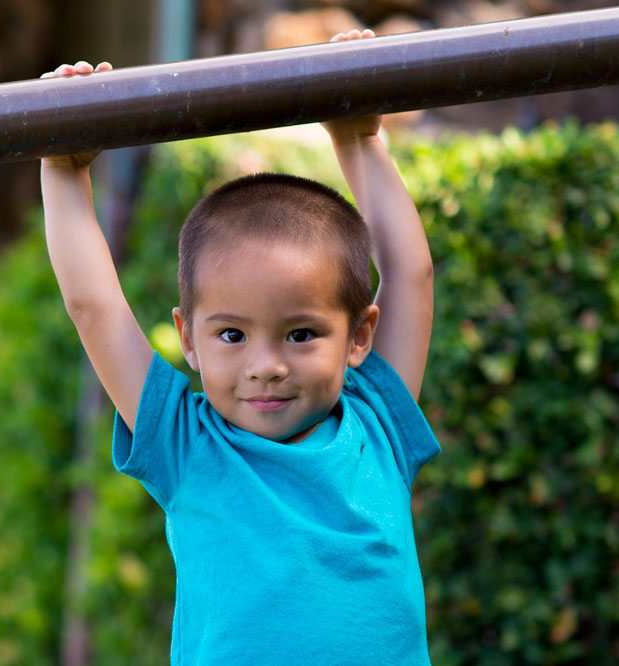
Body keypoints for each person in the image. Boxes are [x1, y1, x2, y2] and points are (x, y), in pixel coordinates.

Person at [42, 29, 439, 666]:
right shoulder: (185, 444)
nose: (266, 367)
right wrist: (62, 171)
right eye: (231, 335)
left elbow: (411, 275)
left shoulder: (378, 423)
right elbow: (94, 307)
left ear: (359, 336)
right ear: (190, 339)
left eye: (301, 334)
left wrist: (358, 137)